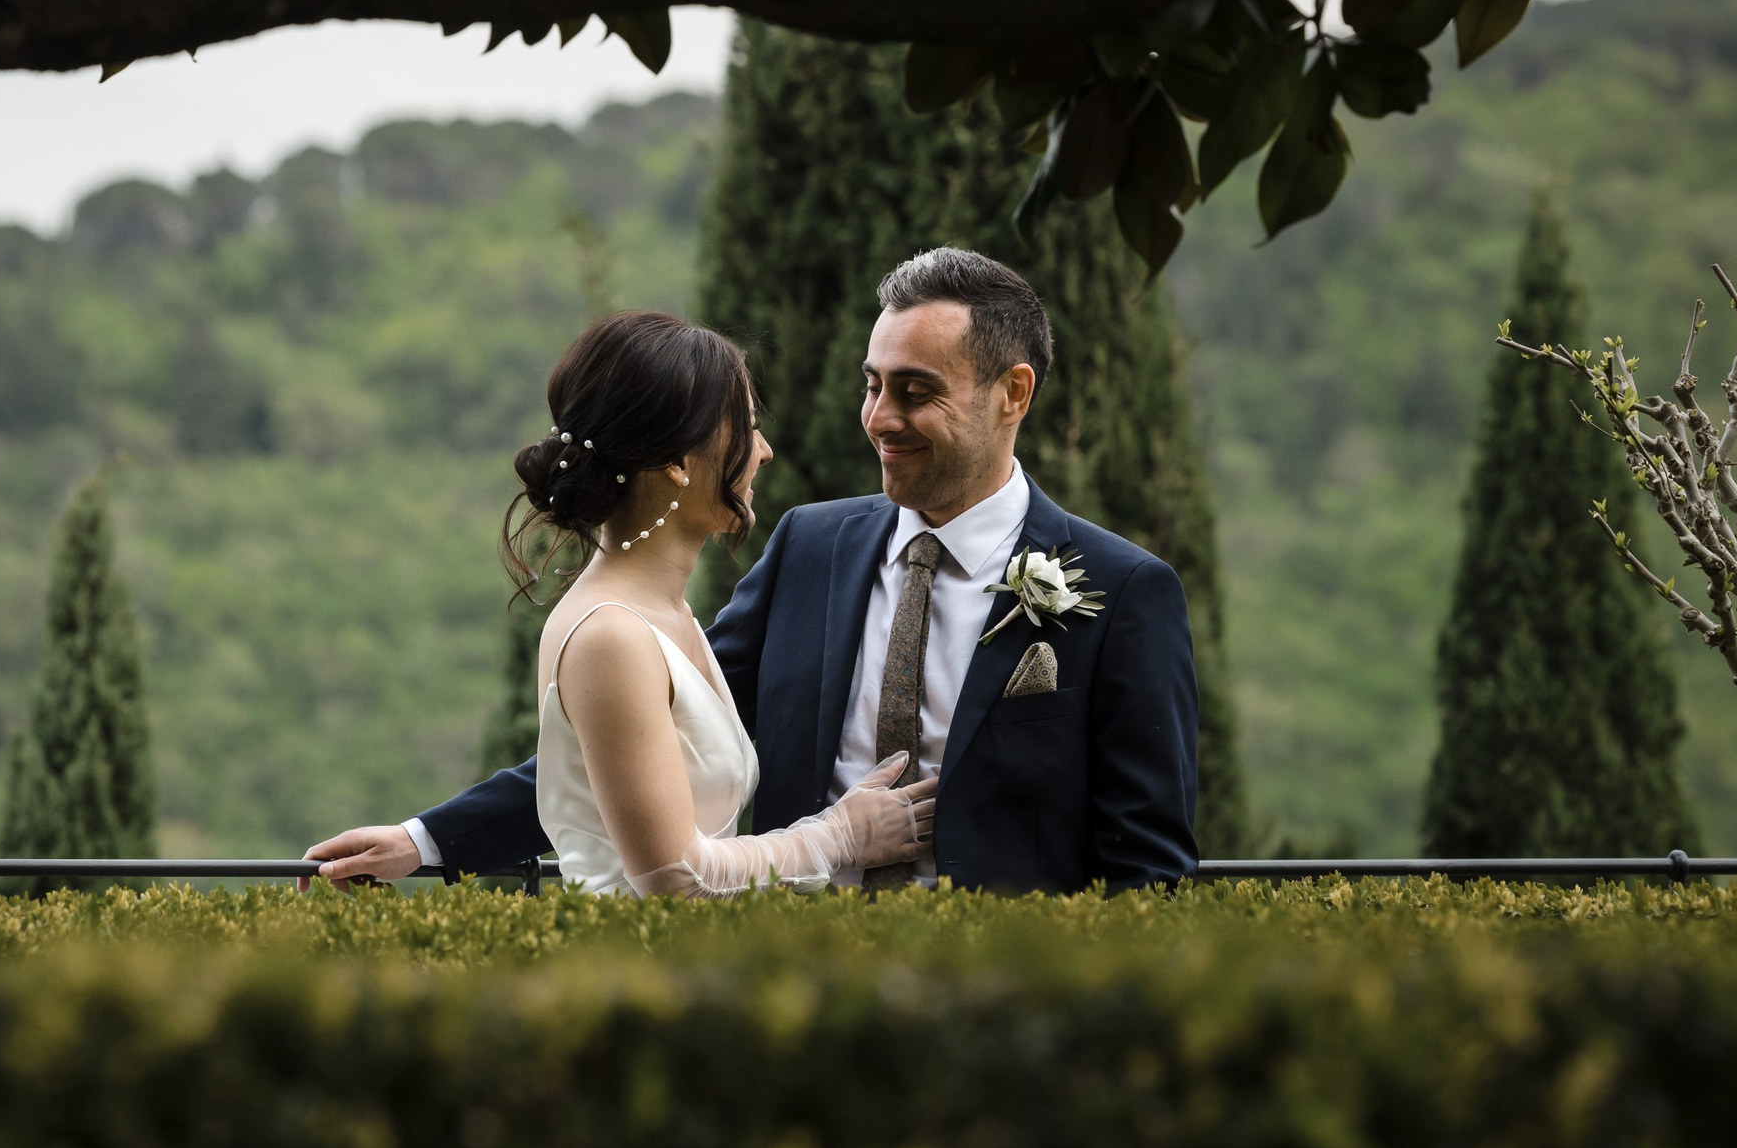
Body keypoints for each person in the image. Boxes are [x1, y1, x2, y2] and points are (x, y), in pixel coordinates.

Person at [306, 247, 1199, 895]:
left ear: (1013, 393)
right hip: (778, 990)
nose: (878, 417)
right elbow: (630, 736)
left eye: (915, 391)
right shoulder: (811, 547)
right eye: (870, 383)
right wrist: (428, 838)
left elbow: (1150, 872)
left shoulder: (1122, 592)